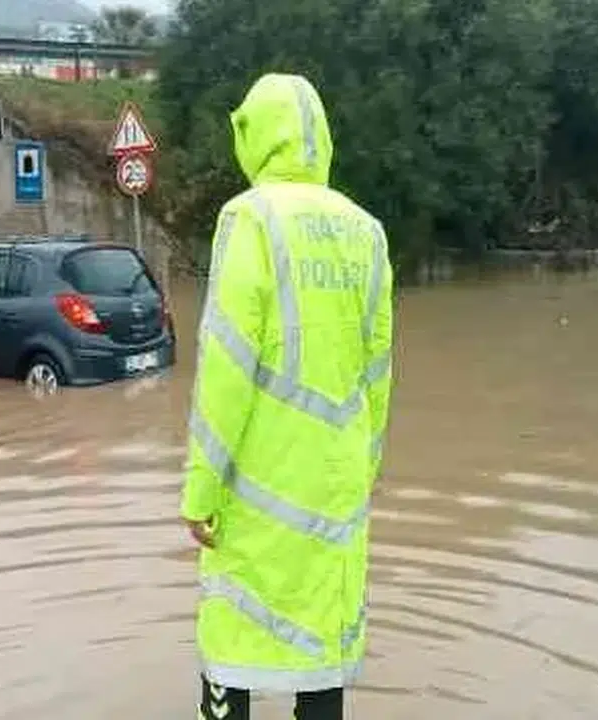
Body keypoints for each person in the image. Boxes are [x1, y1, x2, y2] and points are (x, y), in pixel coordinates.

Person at [180, 73, 394, 720]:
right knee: (320, 661)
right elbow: (377, 378)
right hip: (333, 497)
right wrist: (362, 476)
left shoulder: (247, 221)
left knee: (230, 651)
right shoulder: (368, 232)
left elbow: (226, 368)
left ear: (255, 138)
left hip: (255, 495)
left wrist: (200, 492)